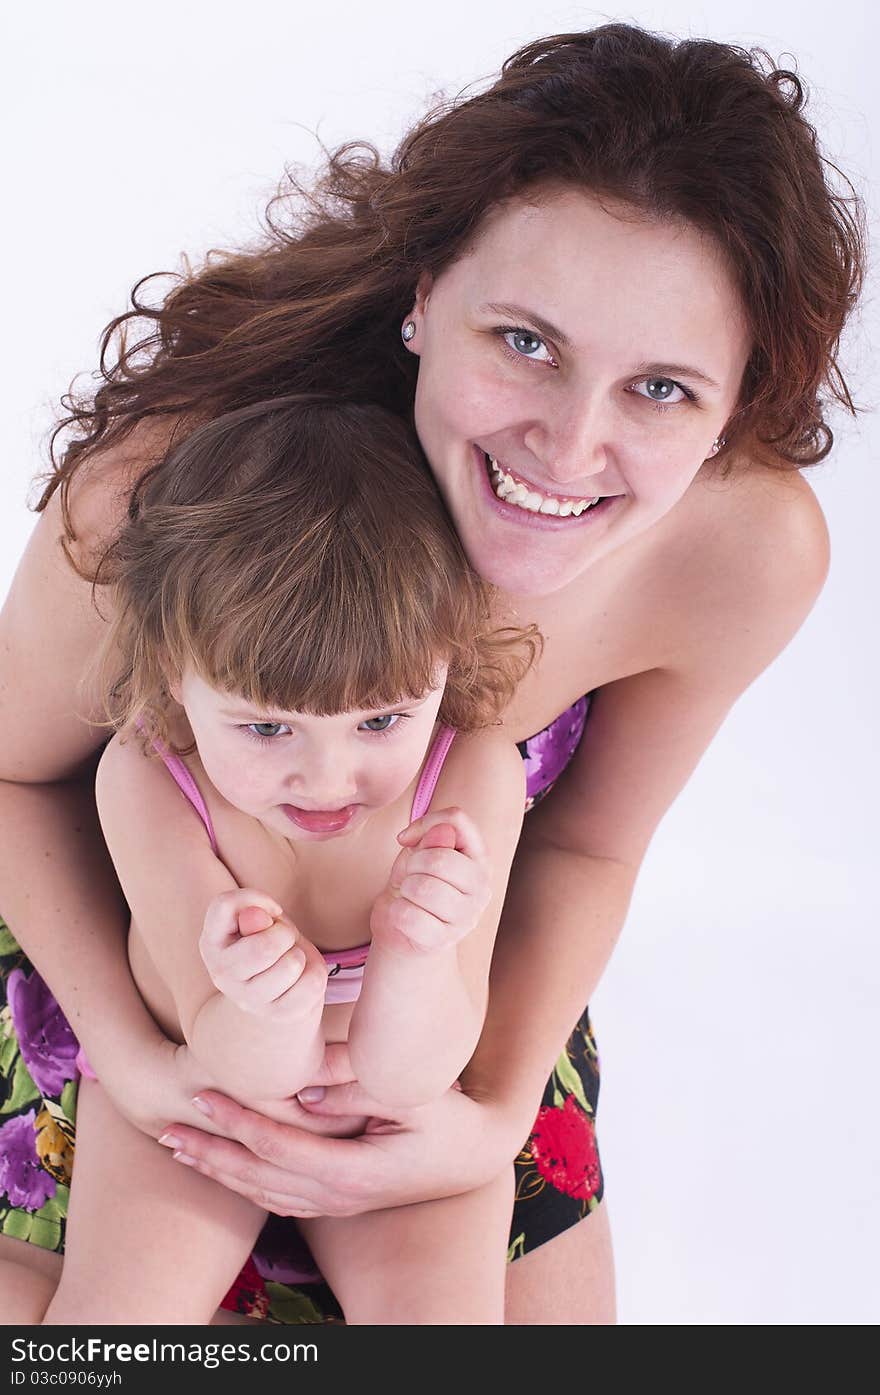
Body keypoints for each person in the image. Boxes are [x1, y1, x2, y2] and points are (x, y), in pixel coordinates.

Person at [0, 24, 864, 1325]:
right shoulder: (184, 495)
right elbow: (8, 770)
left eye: (664, 388)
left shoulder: (744, 553)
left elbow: (584, 848)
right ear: (423, 291)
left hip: (449, 990)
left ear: (737, 402)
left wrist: (490, 1112)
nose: (569, 446)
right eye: (523, 341)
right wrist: (136, 1053)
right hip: (141, 961)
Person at [2, 395, 541, 1324]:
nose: (328, 779)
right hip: (196, 1095)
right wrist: (268, 1001)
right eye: (264, 725)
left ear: (446, 666)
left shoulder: (473, 773)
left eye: (380, 719)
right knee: (107, 1340)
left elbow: (416, 1075)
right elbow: (233, 1064)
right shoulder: (147, 778)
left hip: (404, 1119)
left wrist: (415, 952)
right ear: (176, 674)